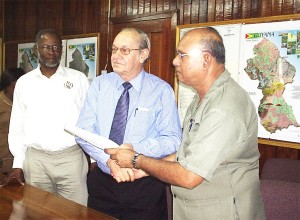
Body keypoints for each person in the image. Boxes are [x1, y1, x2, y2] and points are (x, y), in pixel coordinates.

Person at [105, 27, 266, 220]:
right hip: (196, 209)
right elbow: (185, 153)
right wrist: (143, 171)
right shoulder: (203, 98)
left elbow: (188, 175)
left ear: (206, 60)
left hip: (223, 212)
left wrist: (135, 160)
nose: (174, 61)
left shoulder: (224, 108)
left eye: (182, 55)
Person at [76, 27, 182, 219]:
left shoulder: (161, 91)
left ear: (143, 55)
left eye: (124, 50)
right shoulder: (99, 85)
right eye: (114, 49)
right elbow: (83, 132)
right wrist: (109, 160)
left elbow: (173, 139)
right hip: (103, 182)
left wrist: (132, 151)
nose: (116, 56)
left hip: (144, 185)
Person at [1, 29, 90, 206]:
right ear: (36, 50)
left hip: (71, 159)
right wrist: (18, 163)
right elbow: (17, 125)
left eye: (56, 47)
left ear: (62, 50)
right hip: (36, 161)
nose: (51, 52)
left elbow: (89, 120)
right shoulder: (24, 83)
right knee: (37, 212)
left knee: (75, 212)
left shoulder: (79, 79)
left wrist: (94, 158)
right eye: (46, 47)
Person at [0, 68, 25, 175]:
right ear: (8, 84)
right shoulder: (1, 103)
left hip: (25, 162)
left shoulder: (27, 102)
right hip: (3, 161)